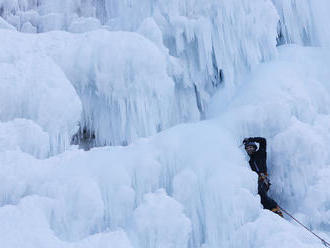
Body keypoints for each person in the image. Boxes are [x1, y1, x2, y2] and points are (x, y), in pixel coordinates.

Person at [243, 137, 283, 217]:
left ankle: (275, 207)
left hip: (263, 180)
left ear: (255, 148)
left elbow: (263, 141)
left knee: (261, 193)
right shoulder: (250, 162)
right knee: (259, 196)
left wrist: (251, 139)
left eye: (251, 147)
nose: (249, 149)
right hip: (257, 181)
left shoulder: (260, 153)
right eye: (247, 148)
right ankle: (268, 212)